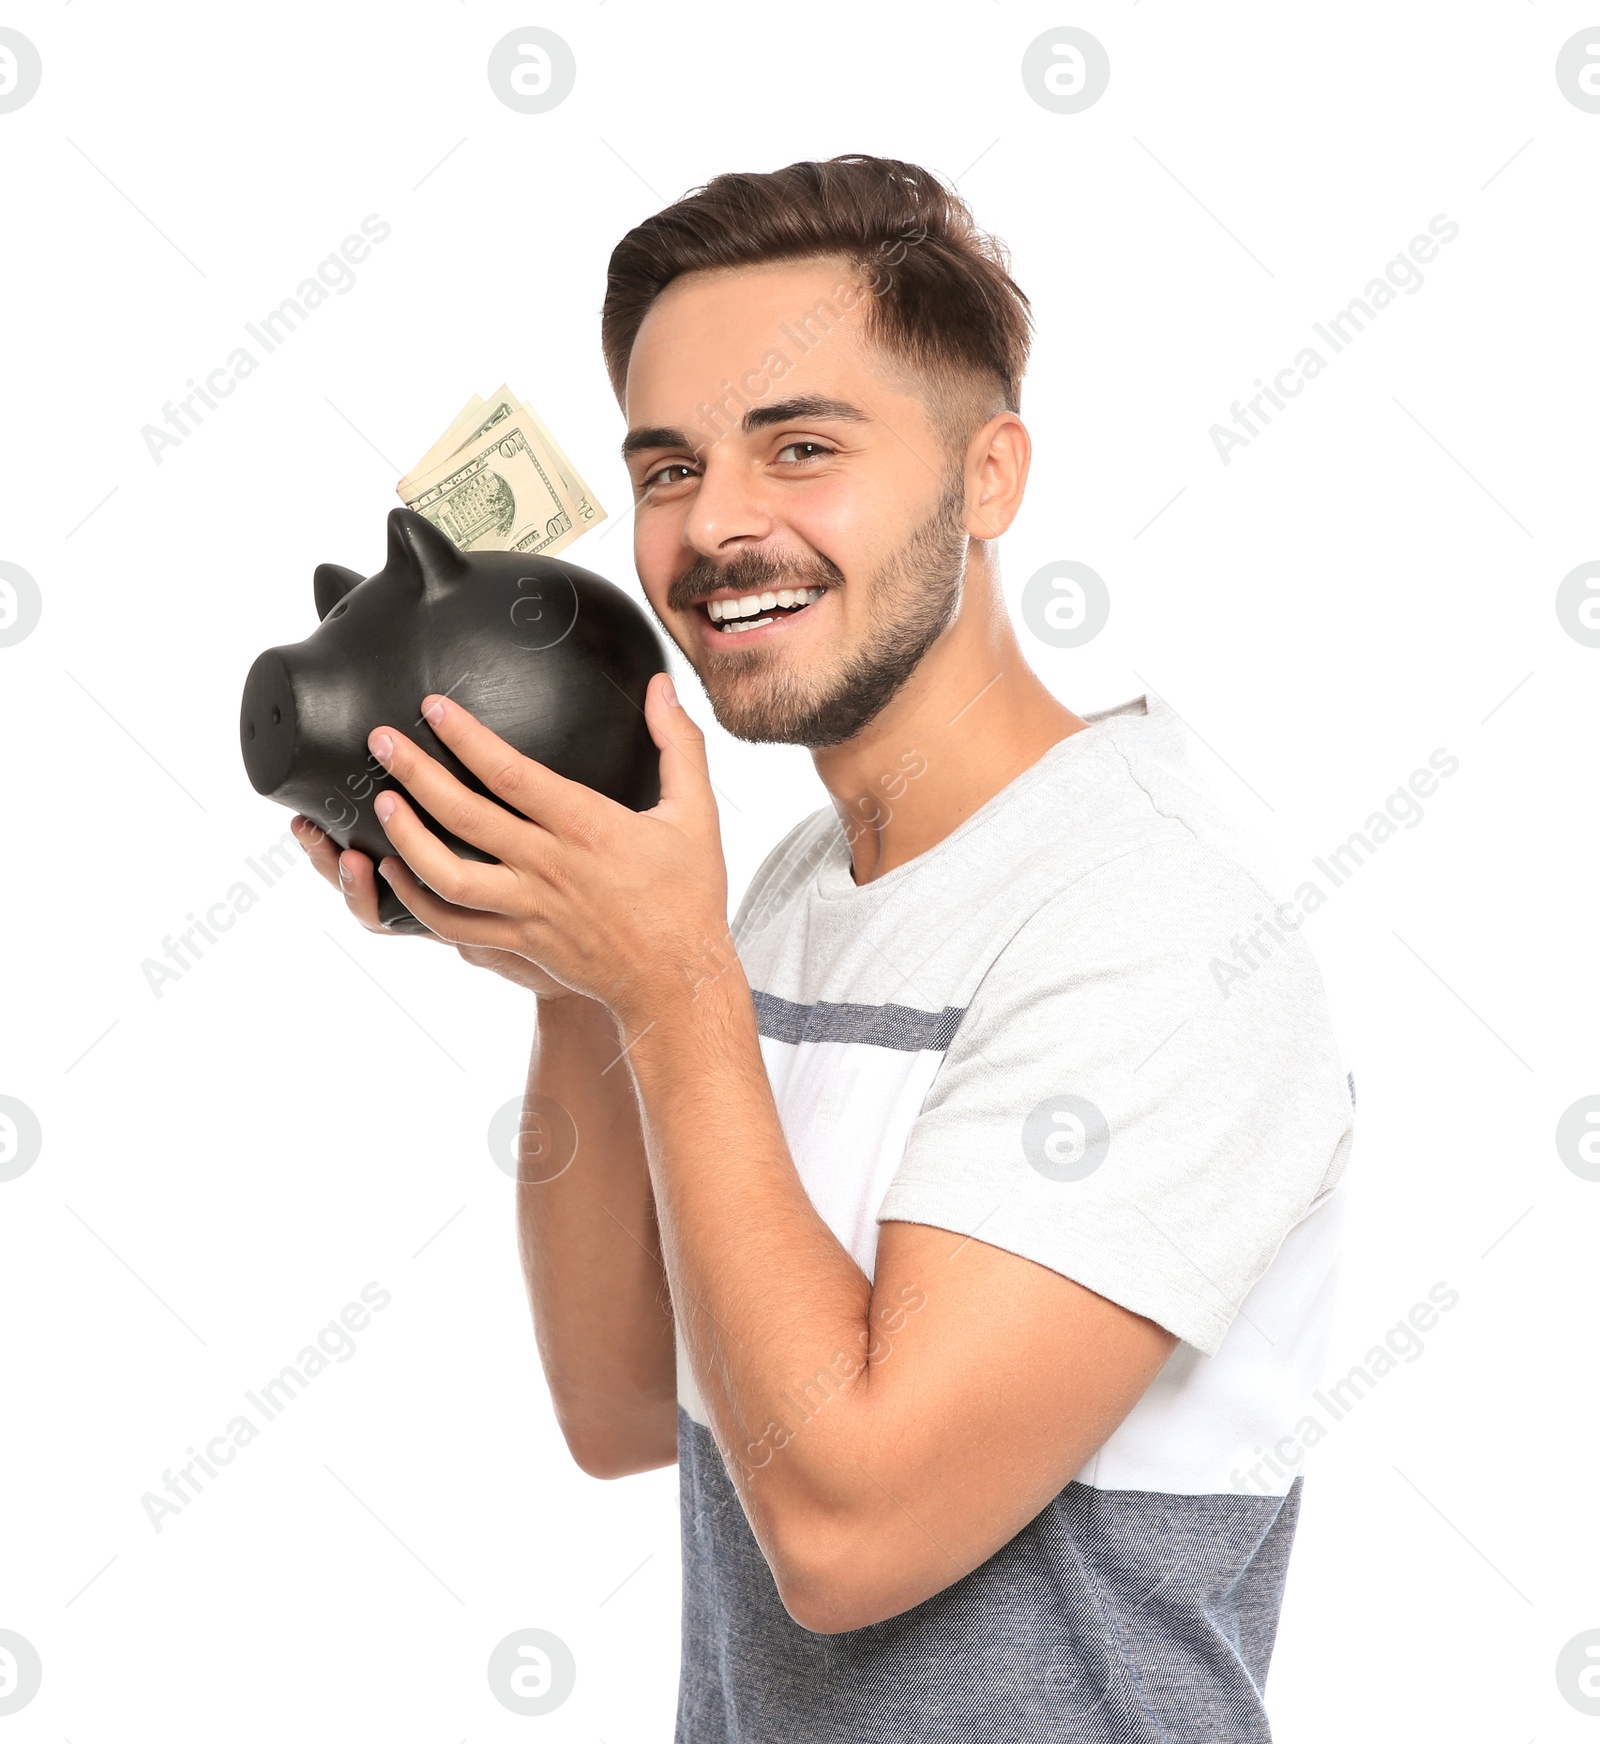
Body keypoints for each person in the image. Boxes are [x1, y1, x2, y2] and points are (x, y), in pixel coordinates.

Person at [293, 154, 1355, 1743]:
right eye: (666, 468)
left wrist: (667, 979)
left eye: (802, 448)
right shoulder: (792, 886)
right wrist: (582, 985)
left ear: (990, 477)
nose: (718, 525)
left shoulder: (1159, 925)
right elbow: (624, 1402)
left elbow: (850, 1535)